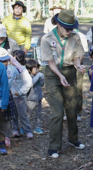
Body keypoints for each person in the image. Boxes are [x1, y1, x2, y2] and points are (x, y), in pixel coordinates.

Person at [40, 9, 86, 158]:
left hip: (70, 72)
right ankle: (54, 147)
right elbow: (51, 62)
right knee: (58, 112)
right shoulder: (47, 39)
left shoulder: (75, 37)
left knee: (72, 109)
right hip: (53, 75)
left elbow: (77, 57)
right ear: (58, 24)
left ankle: (73, 139)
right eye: (67, 28)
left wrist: (78, 65)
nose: (69, 31)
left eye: (72, 28)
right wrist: (59, 76)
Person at [9, 50, 33, 139]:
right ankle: (15, 130)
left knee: (23, 114)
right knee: (13, 115)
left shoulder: (23, 70)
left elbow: (28, 82)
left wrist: (20, 92)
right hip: (11, 96)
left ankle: (28, 130)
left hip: (20, 97)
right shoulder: (10, 68)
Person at [26, 60, 45, 134]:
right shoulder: (28, 76)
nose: (38, 70)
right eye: (35, 68)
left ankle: (37, 127)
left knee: (38, 114)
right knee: (28, 114)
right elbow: (31, 83)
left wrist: (42, 78)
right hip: (30, 100)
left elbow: (41, 84)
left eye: (38, 68)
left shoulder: (38, 76)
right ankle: (24, 127)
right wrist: (38, 76)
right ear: (29, 70)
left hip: (38, 98)